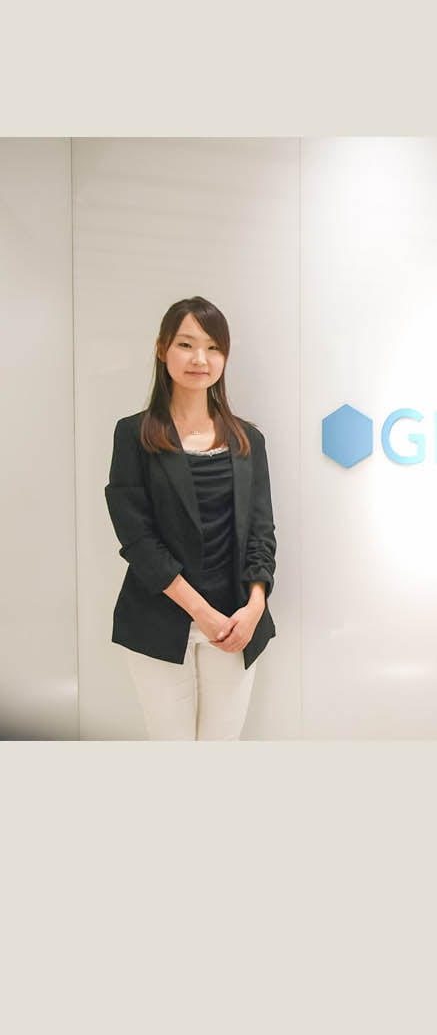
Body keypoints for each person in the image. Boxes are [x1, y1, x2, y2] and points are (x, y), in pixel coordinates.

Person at [105, 296, 276, 740]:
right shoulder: (133, 435)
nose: (200, 359)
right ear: (163, 350)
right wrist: (202, 613)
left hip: (236, 624)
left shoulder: (248, 440)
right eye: (186, 344)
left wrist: (254, 607)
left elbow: (261, 532)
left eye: (213, 347)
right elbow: (137, 539)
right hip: (159, 620)